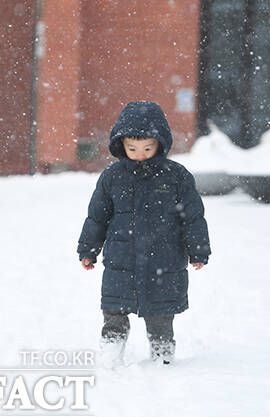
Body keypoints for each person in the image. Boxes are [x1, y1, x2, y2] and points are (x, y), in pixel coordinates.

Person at [77, 101, 211, 366]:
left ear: (160, 144)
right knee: (114, 310)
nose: (140, 155)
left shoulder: (176, 176)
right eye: (132, 149)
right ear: (121, 145)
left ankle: (162, 353)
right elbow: (97, 217)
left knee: (161, 313)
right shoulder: (112, 177)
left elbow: (193, 217)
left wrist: (198, 250)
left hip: (163, 259)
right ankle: (112, 349)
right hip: (121, 259)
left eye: (148, 148)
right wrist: (88, 249)